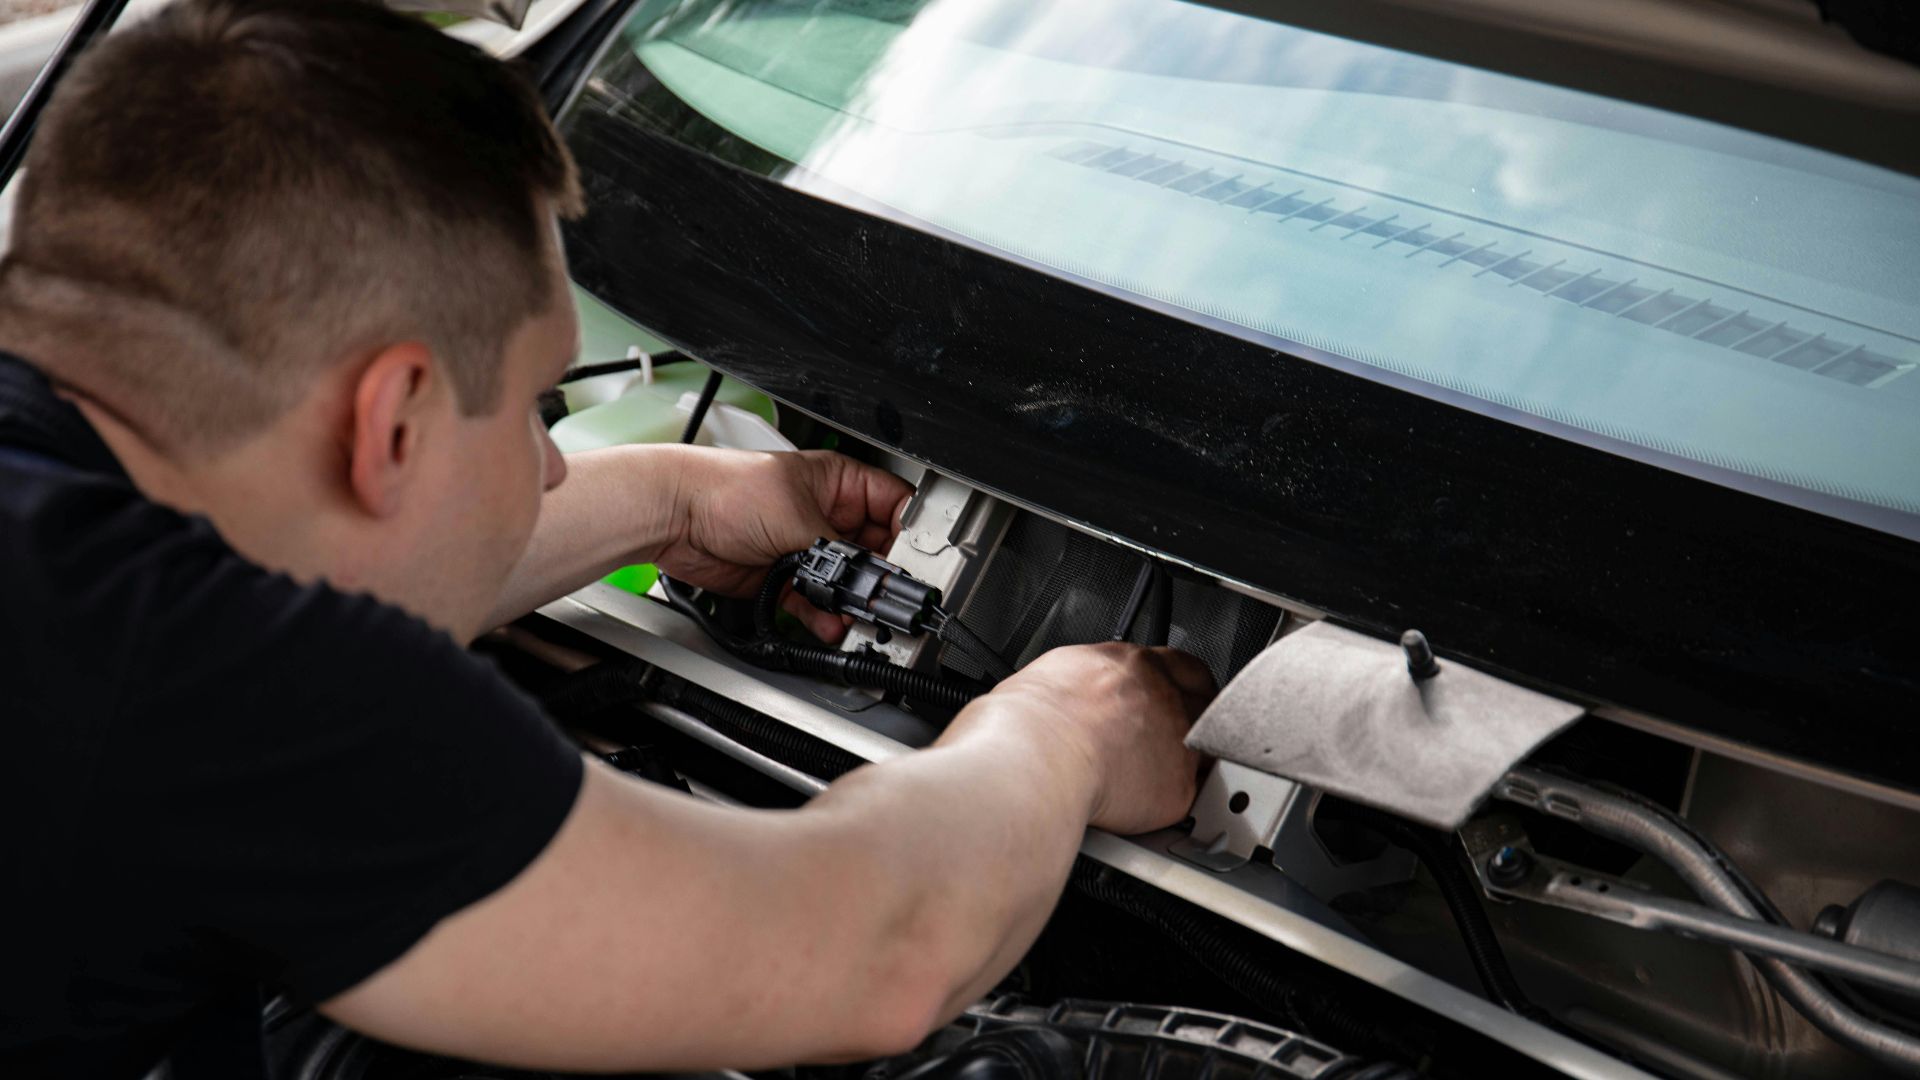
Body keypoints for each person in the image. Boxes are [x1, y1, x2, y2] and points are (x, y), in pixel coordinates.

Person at [0, 0, 1213, 1076]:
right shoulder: (194, 691)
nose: (545, 466)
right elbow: (865, 956)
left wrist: (669, 499)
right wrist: (1062, 729)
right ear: (392, 422)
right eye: (533, 405)